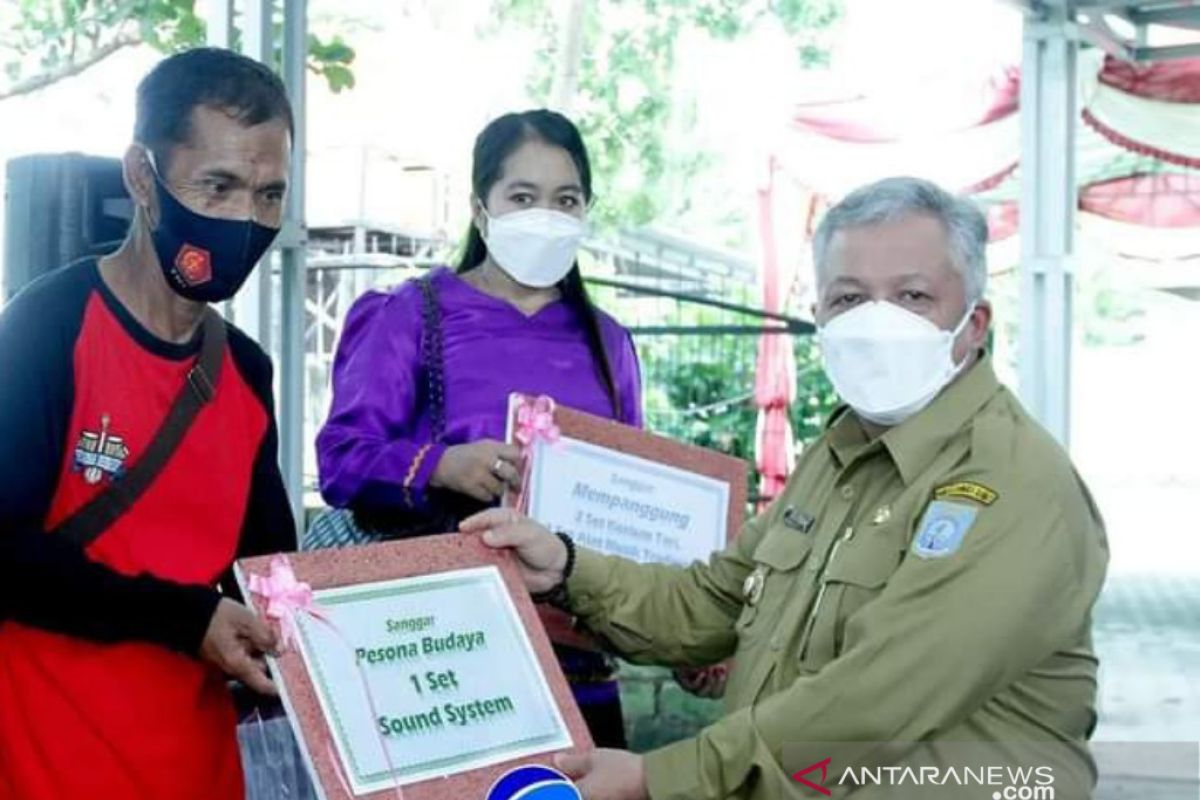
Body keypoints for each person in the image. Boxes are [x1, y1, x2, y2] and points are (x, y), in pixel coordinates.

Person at [461, 177, 1110, 800]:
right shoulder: (840, 455)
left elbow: (872, 703)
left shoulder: (1011, 483)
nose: (877, 323)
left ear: (973, 324)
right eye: (850, 298)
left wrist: (657, 779)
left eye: (913, 297)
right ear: (819, 314)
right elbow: (711, 602)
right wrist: (566, 567)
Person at [0, 48, 297, 799]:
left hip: (197, 768)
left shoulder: (246, 371)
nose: (245, 220)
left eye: (269, 195)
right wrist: (186, 616)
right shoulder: (47, 326)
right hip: (44, 765)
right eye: (218, 186)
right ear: (141, 176)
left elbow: (270, 572)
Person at [315, 109, 642, 746]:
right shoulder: (410, 315)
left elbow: (631, 492)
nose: (546, 215)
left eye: (565, 199)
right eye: (523, 197)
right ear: (480, 206)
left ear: (585, 210)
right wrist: (441, 465)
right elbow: (341, 459)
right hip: (448, 660)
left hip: (578, 665)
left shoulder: (610, 343)